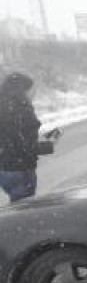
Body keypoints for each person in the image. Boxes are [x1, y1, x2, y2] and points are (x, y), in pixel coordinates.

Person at [0, 72, 48, 203]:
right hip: (20, 169)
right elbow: (24, 146)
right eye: (30, 90)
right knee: (25, 211)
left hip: (5, 169)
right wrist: (49, 145)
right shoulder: (22, 109)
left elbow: (12, 139)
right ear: (22, 90)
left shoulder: (3, 106)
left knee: (17, 207)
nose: (32, 94)